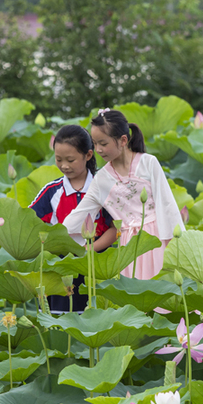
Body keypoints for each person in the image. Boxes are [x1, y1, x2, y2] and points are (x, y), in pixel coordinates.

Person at [63, 108, 184, 279]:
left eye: (103, 144)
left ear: (123, 140)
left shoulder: (148, 163)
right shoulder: (102, 179)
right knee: (134, 298)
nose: (98, 150)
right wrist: (56, 237)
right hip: (128, 247)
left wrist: (177, 245)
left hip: (157, 240)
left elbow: (167, 205)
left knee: (163, 293)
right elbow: (81, 213)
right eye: (94, 143)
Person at [29, 125, 116, 312]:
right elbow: (29, 224)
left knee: (94, 319)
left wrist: (89, 249)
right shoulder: (51, 192)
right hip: (60, 267)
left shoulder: (104, 188)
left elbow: (115, 229)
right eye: (58, 159)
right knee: (60, 322)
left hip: (96, 264)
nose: (64, 166)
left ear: (88, 155)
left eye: (70, 160)